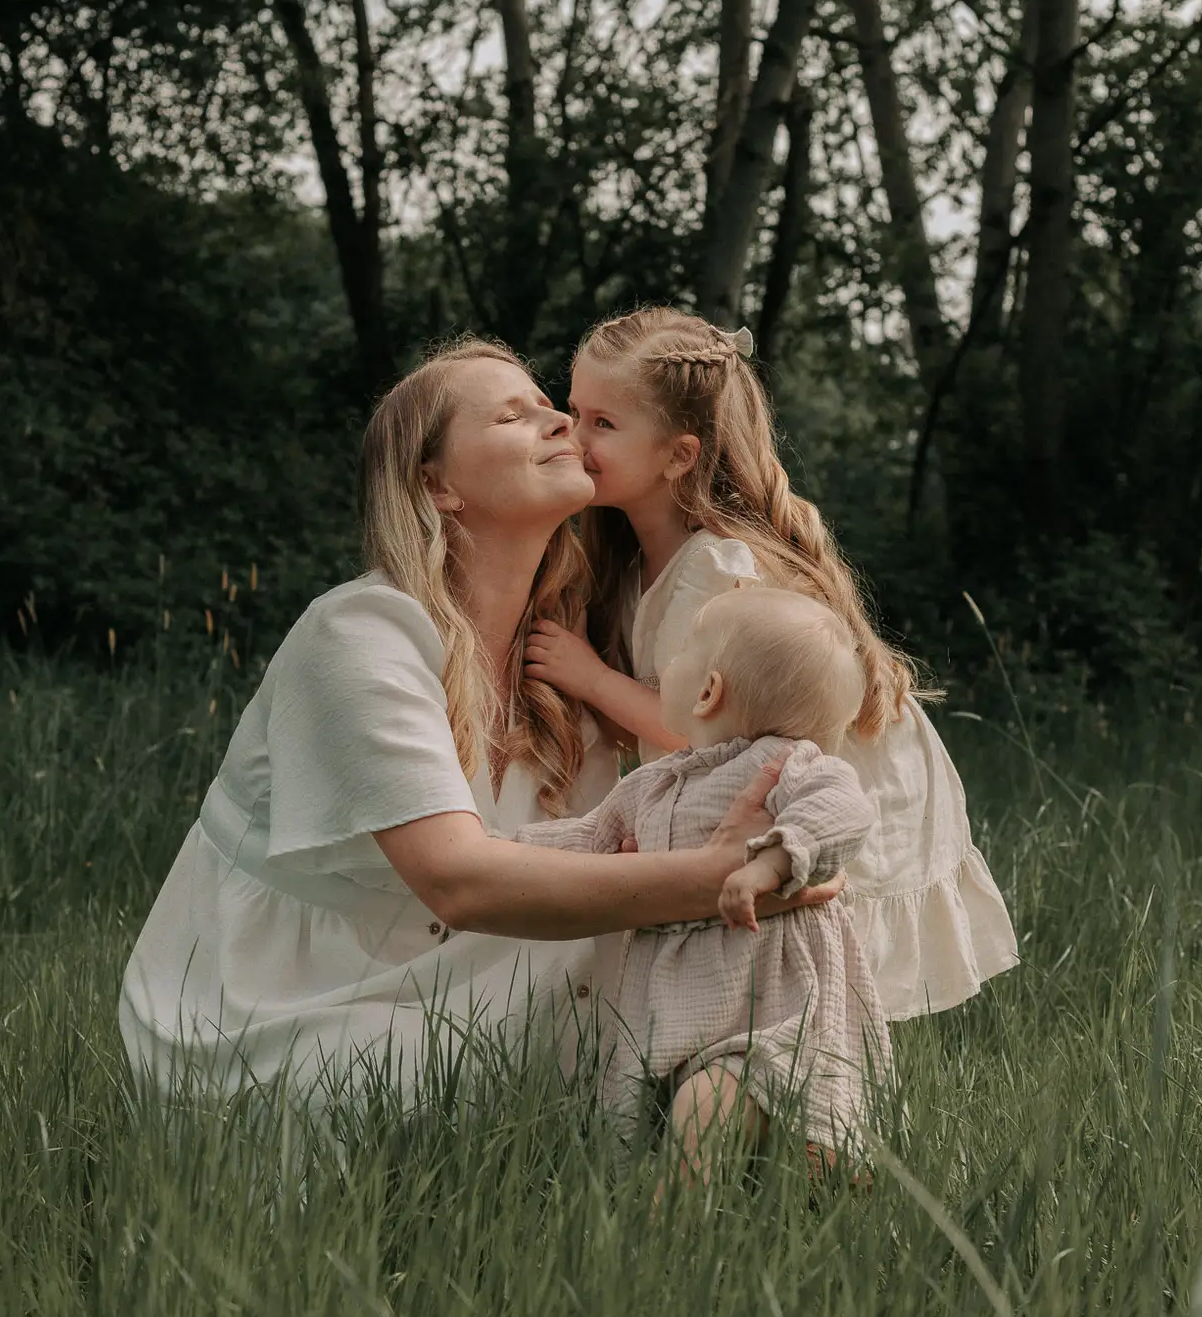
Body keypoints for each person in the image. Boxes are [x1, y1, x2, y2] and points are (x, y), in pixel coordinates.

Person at [119, 340, 833, 1102]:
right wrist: (713, 878)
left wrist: (773, 855)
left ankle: (767, 1132)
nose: (560, 419)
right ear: (438, 486)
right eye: (512, 414)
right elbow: (457, 881)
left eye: (548, 404)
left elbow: (612, 862)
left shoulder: (566, 667)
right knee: (411, 1102)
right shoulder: (360, 635)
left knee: (722, 1014)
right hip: (281, 1003)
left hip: (470, 975)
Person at [523, 306, 1018, 1025]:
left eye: (604, 422)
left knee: (824, 937)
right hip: (764, 761)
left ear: (679, 455)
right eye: (574, 411)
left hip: (836, 768)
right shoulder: (629, 556)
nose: (576, 434)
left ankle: (820, 1069)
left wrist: (588, 677)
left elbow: (696, 726)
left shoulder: (717, 565)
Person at [517, 588, 891, 1184]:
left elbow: (843, 808)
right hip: (670, 1000)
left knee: (705, 1110)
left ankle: (670, 1241)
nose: (668, 661)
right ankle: (805, 1173)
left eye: (685, 645)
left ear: (709, 690)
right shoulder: (655, 782)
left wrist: (768, 863)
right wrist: (497, 849)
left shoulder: (784, 763)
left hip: (767, 1001)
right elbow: (588, 841)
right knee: (634, 1123)